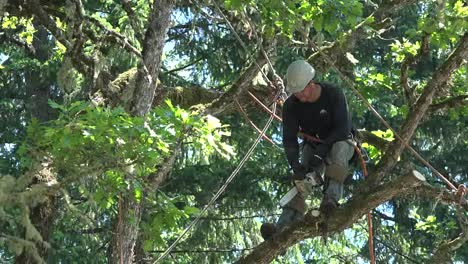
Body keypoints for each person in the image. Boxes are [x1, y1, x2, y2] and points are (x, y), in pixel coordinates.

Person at [261, 60, 355, 240]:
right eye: (295, 92)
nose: (299, 96)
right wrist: (295, 165)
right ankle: (282, 226)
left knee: (339, 149)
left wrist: (323, 150)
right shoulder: (291, 106)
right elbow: (289, 140)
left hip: (339, 141)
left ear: (311, 84)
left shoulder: (333, 94)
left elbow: (343, 129)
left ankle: (331, 200)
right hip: (312, 146)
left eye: (301, 91)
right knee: (303, 178)